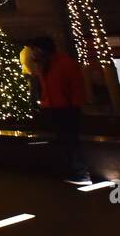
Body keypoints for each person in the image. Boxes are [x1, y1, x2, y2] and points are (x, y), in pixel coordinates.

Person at [30, 36, 90, 184]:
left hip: (66, 108)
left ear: (43, 50)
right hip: (52, 107)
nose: (33, 53)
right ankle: (71, 171)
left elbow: (76, 86)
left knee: (70, 142)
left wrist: (74, 105)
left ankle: (81, 173)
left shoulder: (65, 63)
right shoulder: (44, 65)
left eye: (35, 50)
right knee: (63, 142)